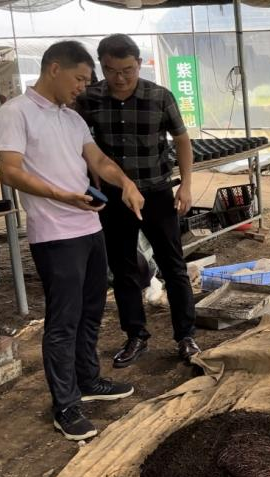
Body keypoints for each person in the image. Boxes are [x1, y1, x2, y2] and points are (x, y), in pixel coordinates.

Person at [0, 40, 144, 440]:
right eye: (79, 78)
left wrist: (125, 182)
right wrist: (62, 195)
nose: (84, 86)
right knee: (63, 321)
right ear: (54, 69)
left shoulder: (72, 119)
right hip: (55, 234)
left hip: (89, 229)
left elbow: (98, 162)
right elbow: (9, 171)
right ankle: (65, 404)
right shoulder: (16, 113)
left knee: (92, 310)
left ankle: (88, 380)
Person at [76, 34, 201, 368]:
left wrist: (186, 185)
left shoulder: (159, 97)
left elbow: (183, 141)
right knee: (123, 269)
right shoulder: (89, 98)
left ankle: (186, 336)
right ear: (100, 66)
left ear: (140, 64)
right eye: (111, 70)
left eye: (127, 70)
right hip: (114, 199)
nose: (120, 78)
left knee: (173, 265)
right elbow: (80, 143)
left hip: (156, 193)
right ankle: (136, 336)